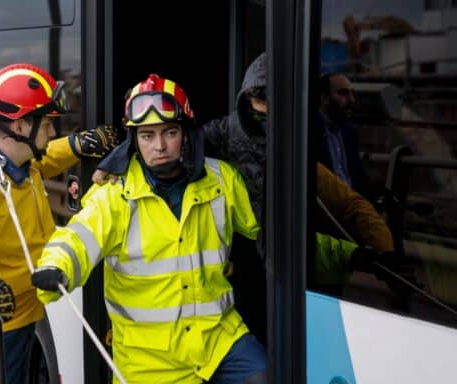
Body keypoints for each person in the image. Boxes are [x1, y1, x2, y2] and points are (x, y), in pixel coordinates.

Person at [92, 53, 400, 344]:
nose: (264, 113)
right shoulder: (221, 135)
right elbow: (165, 142)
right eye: (258, 102)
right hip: (239, 271)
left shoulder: (296, 151)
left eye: (273, 103)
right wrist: (118, 159)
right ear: (245, 100)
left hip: (284, 263)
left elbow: (350, 205)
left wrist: (384, 253)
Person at [32, 74, 268, 384]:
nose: (160, 146)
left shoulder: (221, 179)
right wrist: (56, 267)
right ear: (134, 140)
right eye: (147, 135)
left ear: (186, 133)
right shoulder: (114, 195)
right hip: (148, 360)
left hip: (219, 340)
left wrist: (331, 258)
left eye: (170, 132)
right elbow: (77, 237)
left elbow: (271, 232)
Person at [0, 63, 118, 384]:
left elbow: (45, 158)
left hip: (21, 316)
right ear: (20, 127)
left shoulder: (19, 165)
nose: (52, 132)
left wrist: (79, 144)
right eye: (46, 124)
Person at [317, 72, 370, 198]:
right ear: (324, 98)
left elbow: (358, 176)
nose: (352, 100)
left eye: (351, 93)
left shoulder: (348, 132)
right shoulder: (310, 131)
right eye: (343, 93)